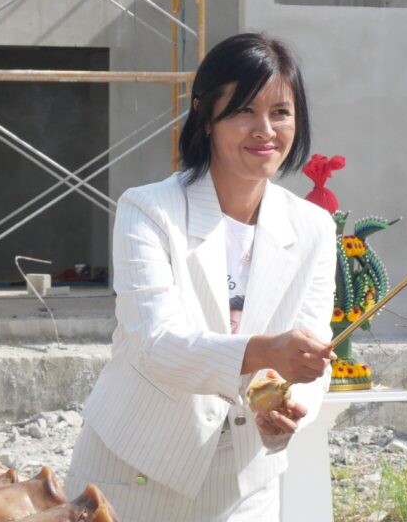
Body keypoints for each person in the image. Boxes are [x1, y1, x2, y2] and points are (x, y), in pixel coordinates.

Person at [66, 32, 338, 521]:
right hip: (132, 473)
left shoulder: (314, 228)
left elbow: (313, 347)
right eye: (242, 111)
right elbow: (157, 341)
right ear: (204, 115)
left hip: (244, 486)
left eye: (280, 112)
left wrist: (290, 407)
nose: (265, 130)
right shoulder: (148, 211)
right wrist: (262, 351)